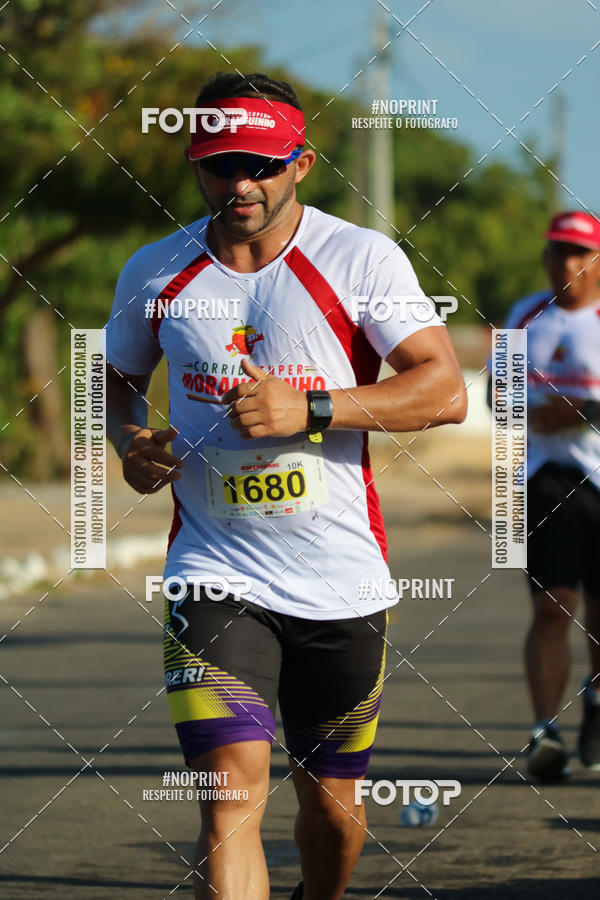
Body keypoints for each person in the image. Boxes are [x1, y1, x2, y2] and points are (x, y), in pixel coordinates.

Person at [105, 71, 467, 900]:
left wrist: (310, 408)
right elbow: (116, 379)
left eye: (262, 165)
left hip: (340, 578)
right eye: (221, 163)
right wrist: (131, 442)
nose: (241, 184)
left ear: (302, 162)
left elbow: (442, 390)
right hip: (214, 569)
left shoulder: (359, 257)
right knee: (228, 804)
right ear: (196, 163)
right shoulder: (158, 271)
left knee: (333, 817)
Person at [489, 211, 600, 783]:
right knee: (552, 605)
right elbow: (494, 394)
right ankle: (544, 732)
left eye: (579, 253)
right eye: (557, 251)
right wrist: (533, 413)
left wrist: (586, 412)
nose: (565, 263)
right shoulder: (525, 313)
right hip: (532, 478)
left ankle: (597, 700)